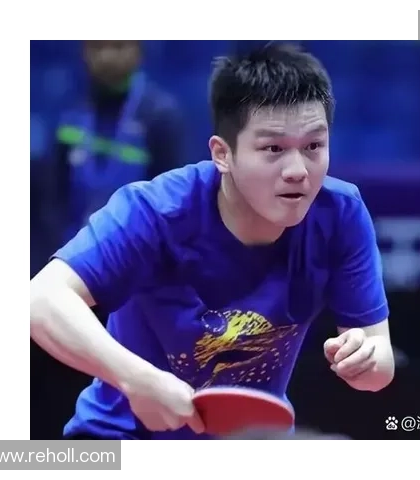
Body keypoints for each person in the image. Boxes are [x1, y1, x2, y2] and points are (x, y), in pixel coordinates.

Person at [30, 42, 395, 440]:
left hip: (251, 445)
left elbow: (379, 370)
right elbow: (40, 300)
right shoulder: (155, 211)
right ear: (222, 154)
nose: (297, 170)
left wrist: (365, 358)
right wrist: (135, 379)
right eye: (273, 148)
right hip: (119, 439)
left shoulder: (340, 214)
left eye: (313, 146)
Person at [38, 40, 186, 253]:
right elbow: (53, 198)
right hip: (73, 251)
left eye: (118, 47)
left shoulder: (160, 115)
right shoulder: (68, 113)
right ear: (84, 52)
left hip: (138, 254)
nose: (106, 57)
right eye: (97, 47)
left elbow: (170, 203)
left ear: (138, 52)